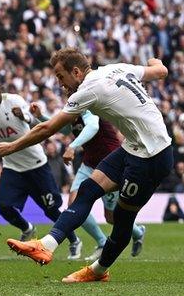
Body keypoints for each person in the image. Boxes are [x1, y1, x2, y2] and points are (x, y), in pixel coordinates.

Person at [0, 48, 173, 283]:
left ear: (76, 72)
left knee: (121, 217)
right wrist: (155, 60)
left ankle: (98, 271)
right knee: (88, 189)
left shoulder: (89, 89)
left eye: (60, 76)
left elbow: (48, 129)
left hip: (152, 157)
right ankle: (46, 245)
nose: (60, 83)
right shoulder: (117, 68)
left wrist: (12, 146)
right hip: (132, 147)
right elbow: (161, 70)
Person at [0, 74, 81, 258]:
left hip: (36, 165)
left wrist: (24, 116)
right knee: (3, 206)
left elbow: (30, 118)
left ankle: (74, 240)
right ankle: (27, 228)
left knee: (51, 210)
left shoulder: (13, 101)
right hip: (12, 167)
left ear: (0, 88)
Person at [30, 105, 147, 261]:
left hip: (110, 167)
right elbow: (65, 130)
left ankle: (138, 232)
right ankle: (101, 241)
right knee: (74, 204)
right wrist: (41, 116)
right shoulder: (73, 111)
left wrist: (72, 146)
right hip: (88, 165)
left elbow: (93, 126)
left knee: (111, 218)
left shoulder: (89, 107)